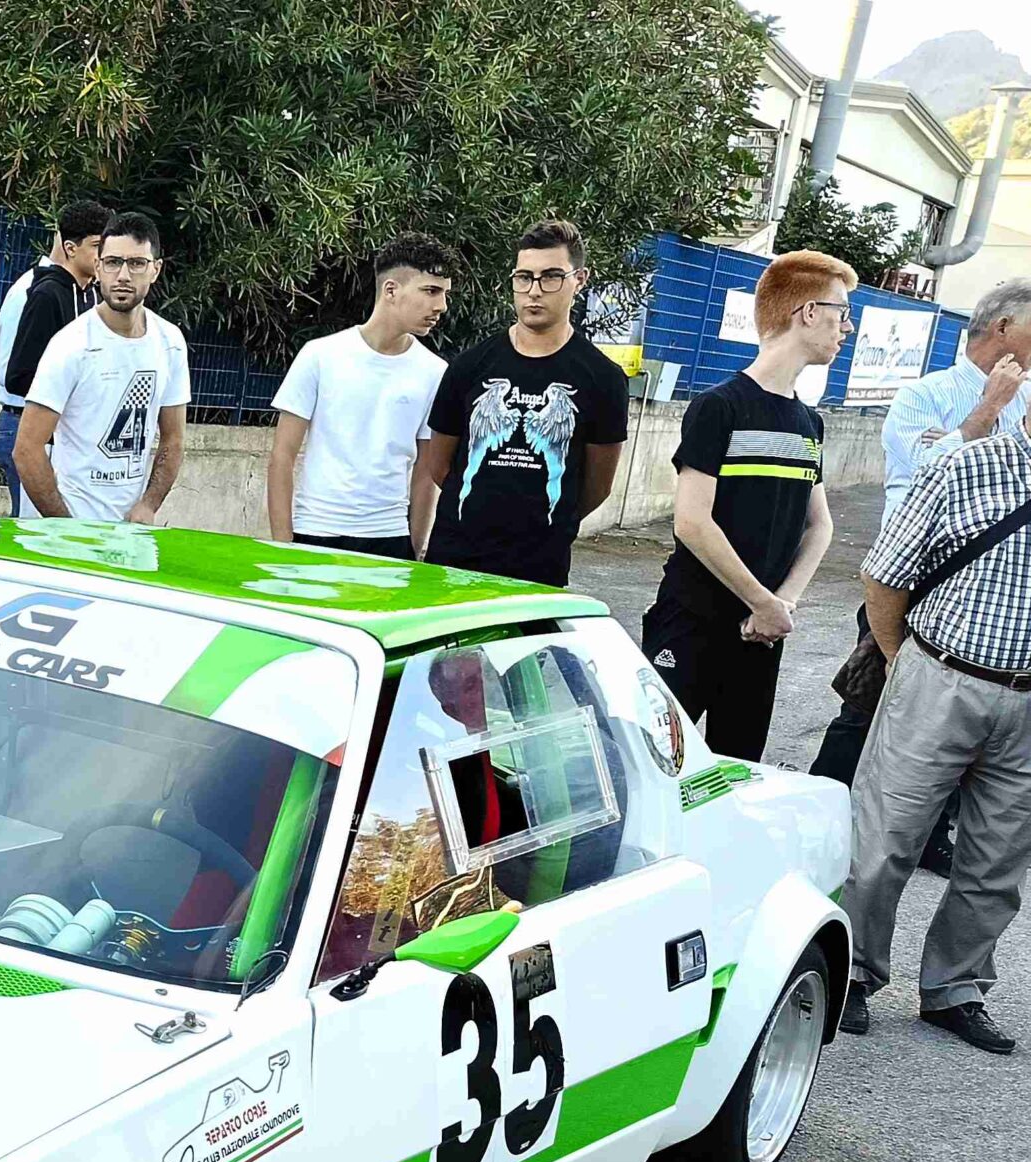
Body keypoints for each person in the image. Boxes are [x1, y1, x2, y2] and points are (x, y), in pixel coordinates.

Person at [838, 422, 1031, 1055]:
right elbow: (885, 574)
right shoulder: (966, 465)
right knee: (885, 836)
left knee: (996, 862)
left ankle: (956, 990)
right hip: (940, 676)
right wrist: (900, 660)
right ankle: (854, 973)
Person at [810, 279, 1029, 804]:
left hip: (982, 599)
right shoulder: (924, 395)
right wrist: (988, 409)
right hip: (911, 585)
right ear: (1003, 328)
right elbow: (923, 475)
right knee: (871, 706)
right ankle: (823, 805)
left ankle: (931, 833)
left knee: (959, 735)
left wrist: (983, 421)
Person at [635, 249, 853, 762]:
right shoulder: (719, 406)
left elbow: (819, 526)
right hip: (690, 623)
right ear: (807, 312)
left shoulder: (809, 423)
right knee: (657, 762)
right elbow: (692, 521)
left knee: (737, 769)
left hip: (761, 637)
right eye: (841, 312)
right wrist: (761, 600)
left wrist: (782, 606)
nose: (846, 327)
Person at [416, 217, 629, 587]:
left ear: (580, 279)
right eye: (523, 277)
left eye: (551, 277)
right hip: (453, 564)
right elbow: (440, 466)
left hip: (538, 572)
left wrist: (547, 525)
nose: (534, 291)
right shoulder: (469, 366)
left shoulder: (603, 378)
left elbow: (597, 486)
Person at [266, 233, 454, 557]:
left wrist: (415, 549)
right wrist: (283, 546)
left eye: (445, 293)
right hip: (316, 531)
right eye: (431, 291)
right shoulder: (320, 355)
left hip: (390, 538)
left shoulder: (435, 372)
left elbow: (426, 470)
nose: (441, 305)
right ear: (391, 290)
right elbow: (281, 456)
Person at [16, 212, 189, 524]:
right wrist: (66, 525)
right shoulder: (70, 344)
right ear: (98, 268)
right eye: (112, 262)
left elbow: (174, 439)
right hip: (72, 525)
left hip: (131, 532)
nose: (122, 275)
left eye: (136, 263)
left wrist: (148, 505)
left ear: (155, 270)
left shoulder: (170, 342)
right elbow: (27, 448)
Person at [0, 201, 106, 512]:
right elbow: (15, 374)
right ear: (70, 247)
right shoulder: (37, 291)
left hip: (64, 431)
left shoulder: (89, 294)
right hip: (26, 425)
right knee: (36, 534)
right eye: (98, 246)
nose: (104, 257)